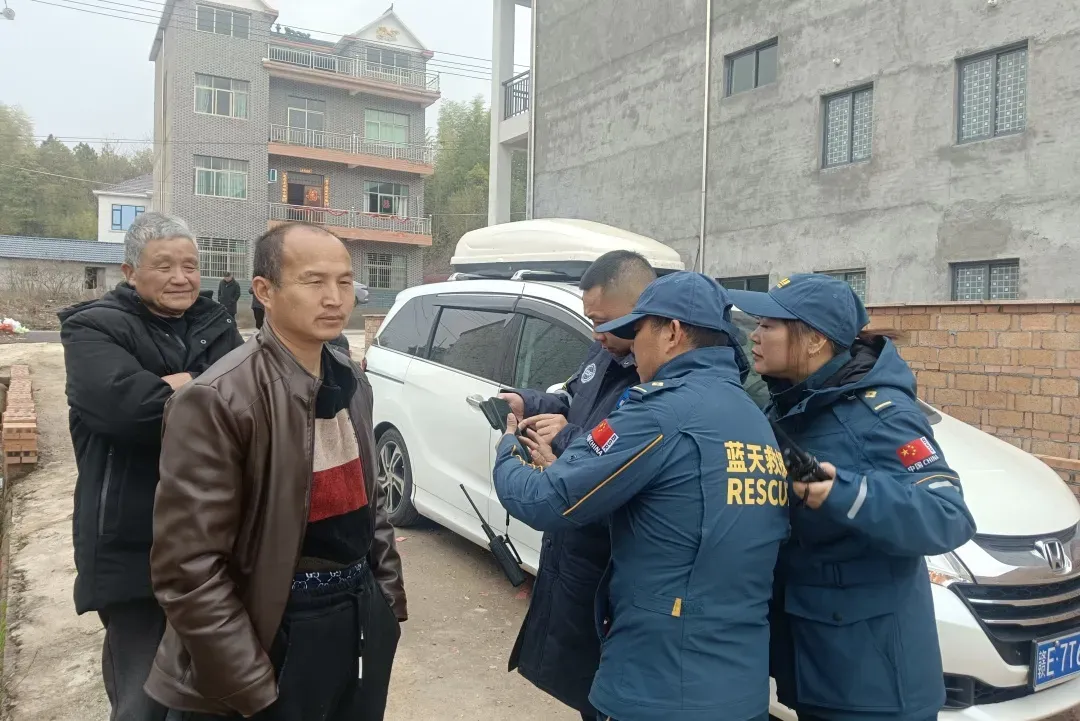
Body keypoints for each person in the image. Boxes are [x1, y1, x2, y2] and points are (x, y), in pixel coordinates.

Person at [493, 272, 788, 721]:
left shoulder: (659, 412)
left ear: (672, 333)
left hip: (661, 684)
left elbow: (546, 500)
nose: (632, 345)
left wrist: (509, 451)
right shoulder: (751, 417)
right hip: (737, 687)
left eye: (638, 331)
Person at [145, 222, 406, 721]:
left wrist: (387, 603)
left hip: (357, 611)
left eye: (344, 282)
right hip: (274, 627)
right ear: (264, 291)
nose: (334, 298)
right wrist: (249, 683)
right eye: (313, 281)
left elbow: (371, 505)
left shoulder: (350, 380)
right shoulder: (218, 399)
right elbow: (188, 569)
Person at [728, 274, 977, 721]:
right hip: (819, 664)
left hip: (876, 684)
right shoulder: (789, 403)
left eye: (768, 326)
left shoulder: (881, 415)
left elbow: (948, 516)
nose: (754, 336)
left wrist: (844, 493)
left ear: (814, 340)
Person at [59, 212, 243, 721]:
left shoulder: (217, 323)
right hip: (132, 542)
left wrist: (179, 384)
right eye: (164, 266)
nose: (181, 278)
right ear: (129, 272)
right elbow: (131, 412)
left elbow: (247, 406)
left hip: (211, 541)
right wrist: (202, 388)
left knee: (212, 695)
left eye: (191, 265)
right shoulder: (91, 328)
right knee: (143, 700)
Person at [497, 250, 655, 721]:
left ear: (642, 309)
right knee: (582, 682)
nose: (596, 334)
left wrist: (564, 441)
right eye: (591, 321)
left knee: (607, 687)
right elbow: (573, 398)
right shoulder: (605, 351)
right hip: (574, 543)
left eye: (604, 321)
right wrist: (528, 402)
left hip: (610, 556)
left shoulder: (658, 379)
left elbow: (615, 445)